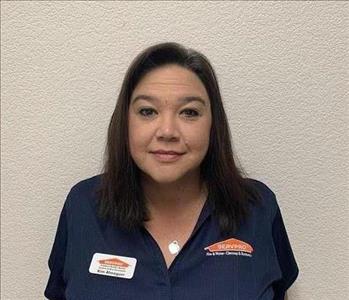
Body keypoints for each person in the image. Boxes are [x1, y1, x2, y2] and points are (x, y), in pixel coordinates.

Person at [44, 42, 299, 300]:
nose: (167, 131)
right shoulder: (84, 206)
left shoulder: (258, 208)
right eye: (147, 111)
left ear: (213, 124)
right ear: (126, 121)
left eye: (189, 112)